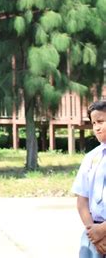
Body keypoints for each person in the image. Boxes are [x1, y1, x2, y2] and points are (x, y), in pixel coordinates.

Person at [72, 100, 106, 257]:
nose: (97, 127)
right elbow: (82, 201)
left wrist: (103, 230)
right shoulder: (90, 157)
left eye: (101, 121)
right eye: (93, 123)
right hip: (93, 231)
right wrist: (93, 232)